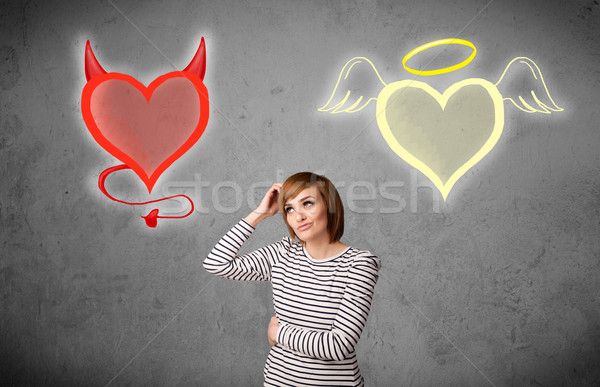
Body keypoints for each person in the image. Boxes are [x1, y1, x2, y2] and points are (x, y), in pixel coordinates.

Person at [203, 172, 381, 386]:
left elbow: (338, 346)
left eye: (307, 203)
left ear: (330, 205)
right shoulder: (282, 253)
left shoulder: (359, 264)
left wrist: (278, 333)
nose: (298, 216)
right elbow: (216, 263)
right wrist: (260, 213)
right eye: (289, 208)